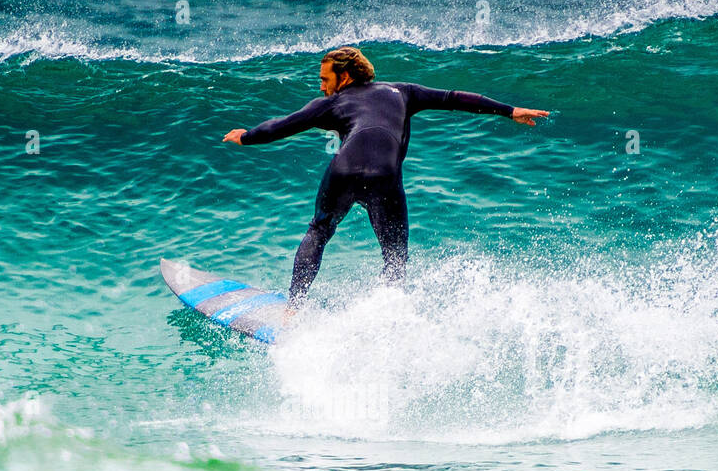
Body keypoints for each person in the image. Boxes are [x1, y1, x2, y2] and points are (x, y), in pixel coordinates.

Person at [223, 46, 549, 311]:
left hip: (344, 169)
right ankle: (388, 315)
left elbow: (283, 125)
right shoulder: (404, 92)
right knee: (395, 258)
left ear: (345, 76)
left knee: (319, 231)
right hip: (385, 176)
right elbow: (454, 98)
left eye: (325, 79)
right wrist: (509, 111)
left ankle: (292, 312)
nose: (321, 86)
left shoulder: (330, 103)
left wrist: (246, 137)